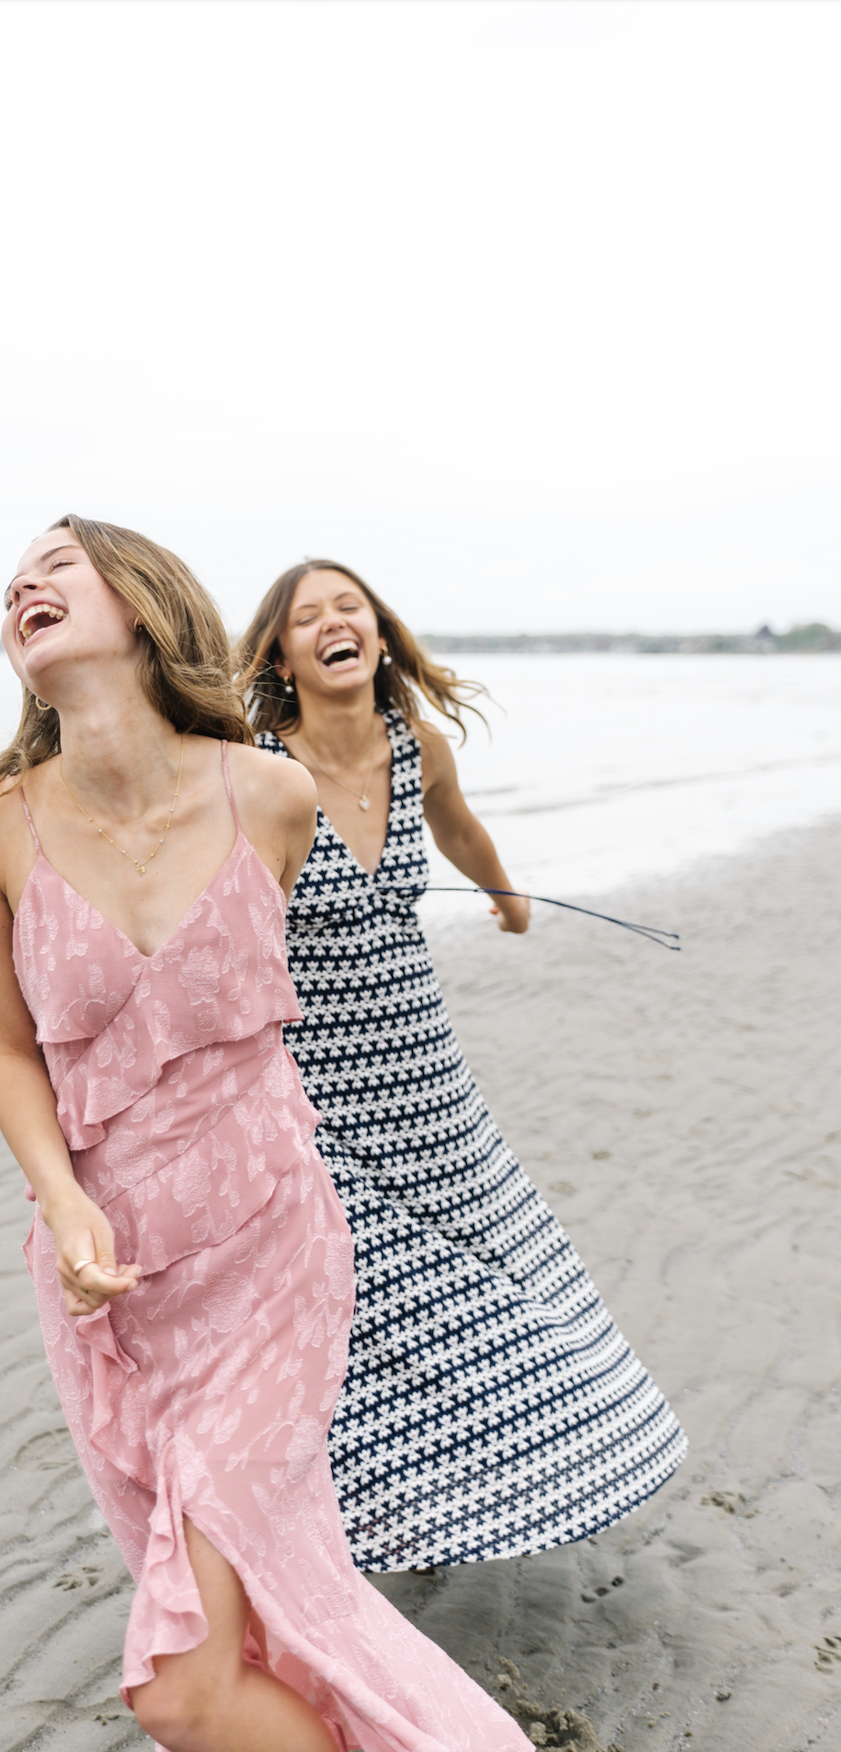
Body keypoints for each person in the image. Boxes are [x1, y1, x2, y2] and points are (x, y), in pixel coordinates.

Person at [0, 516, 531, 1752]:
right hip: (109, 1285)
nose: (22, 587)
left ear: (142, 601)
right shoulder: (0, 825)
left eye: (55, 567)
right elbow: (11, 1052)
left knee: (179, 1686)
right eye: (11, 584)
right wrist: (62, 1204)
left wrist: (489, 898)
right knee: (235, 1639)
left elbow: (353, 959)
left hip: (267, 1252)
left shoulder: (268, 792)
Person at [235, 559, 686, 1574]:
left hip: (426, 1077)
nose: (332, 623)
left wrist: (507, 894)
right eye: (307, 617)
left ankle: (490, 1477)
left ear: (380, 635)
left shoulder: (418, 747)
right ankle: (324, 1511)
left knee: (489, 1276)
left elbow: (458, 827)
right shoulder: (252, 766)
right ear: (279, 655)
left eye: (348, 607)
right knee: (349, 1288)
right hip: (311, 1082)